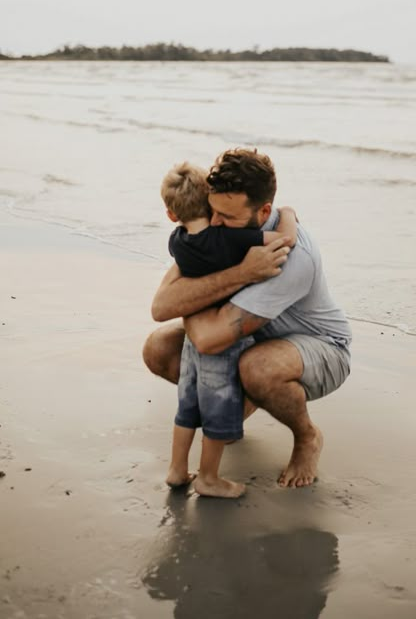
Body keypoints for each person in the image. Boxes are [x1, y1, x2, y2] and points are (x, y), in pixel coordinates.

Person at [143, 148, 352, 489]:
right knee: (159, 348)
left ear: (265, 211)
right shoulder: (217, 232)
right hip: (251, 339)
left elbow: (207, 337)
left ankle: (307, 437)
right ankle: (235, 412)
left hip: (320, 348)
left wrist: (204, 294)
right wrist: (241, 272)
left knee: (258, 368)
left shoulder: (290, 256)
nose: (214, 224)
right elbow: (160, 307)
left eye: (227, 217)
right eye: (213, 211)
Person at [160, 161, 298, 498]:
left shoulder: (176, 242)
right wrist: (289, 212)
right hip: (219, 342)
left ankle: (177, 470)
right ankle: (209, 478)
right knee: (218, 411)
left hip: (191, 340)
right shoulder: (229, 239)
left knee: (187, 407)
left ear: (171, 214)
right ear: (209, 203)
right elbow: (286, 238)